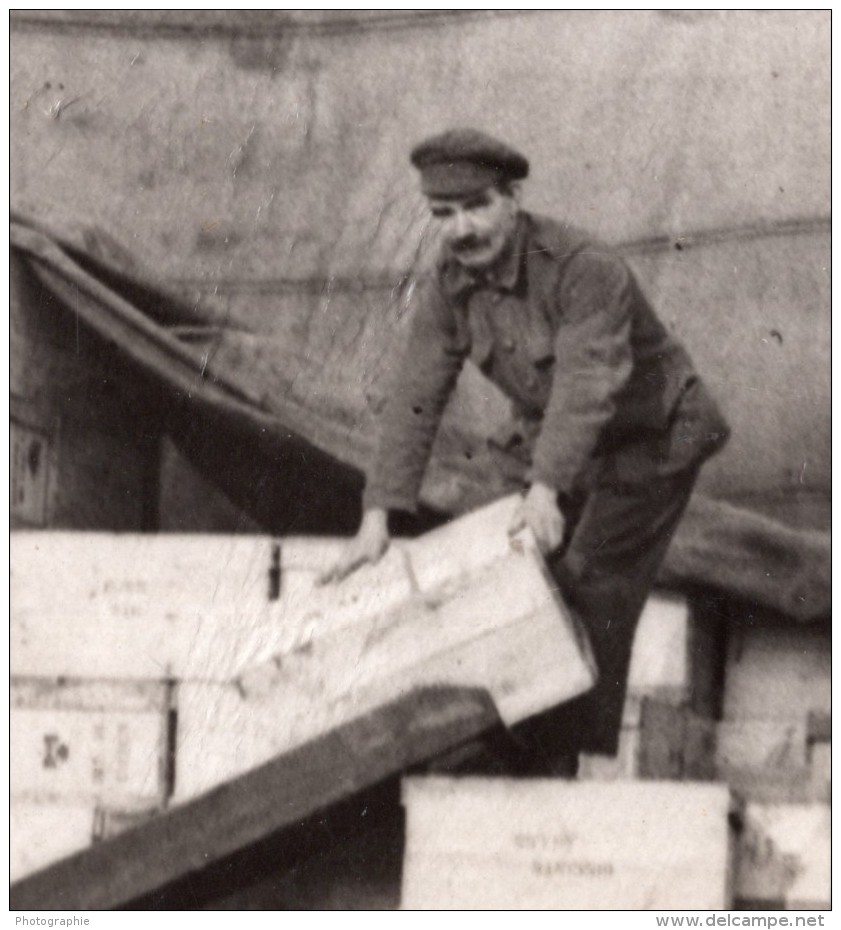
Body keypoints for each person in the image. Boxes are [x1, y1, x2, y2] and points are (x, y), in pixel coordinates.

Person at [320, 127, 729, 773]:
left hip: (654, 437)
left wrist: (544, 492)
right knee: (498, 558)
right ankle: (500, 731)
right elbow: (415, 397)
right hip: (564, 440)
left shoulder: (582, 269)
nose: (461, 229)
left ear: (512, 198)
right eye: (443, 215)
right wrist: (378, 515)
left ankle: (557, 769)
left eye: (476, 206)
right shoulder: (449, 285)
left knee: (591, 580)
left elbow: (585, 386)